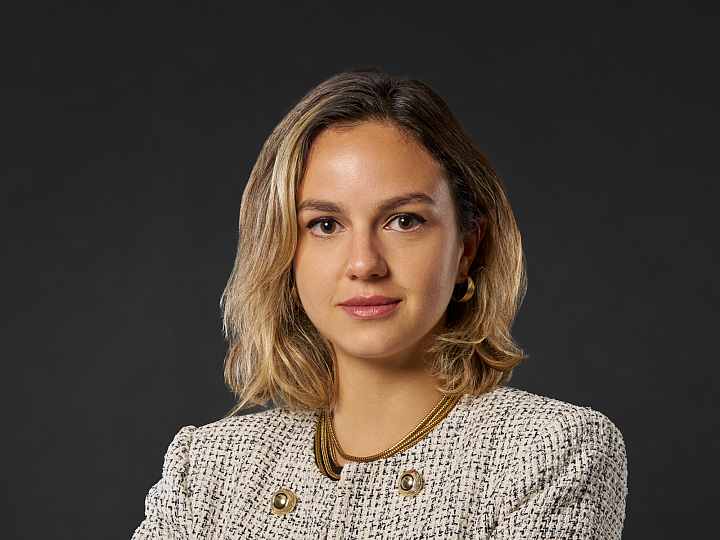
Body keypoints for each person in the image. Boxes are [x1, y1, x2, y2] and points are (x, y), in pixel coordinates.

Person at [132, 67, 627, 539]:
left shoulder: (551, 454)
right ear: (283, 251)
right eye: (325, 224)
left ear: (466, 248)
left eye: (404, 221)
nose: (364, 263)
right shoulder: (207, 470)